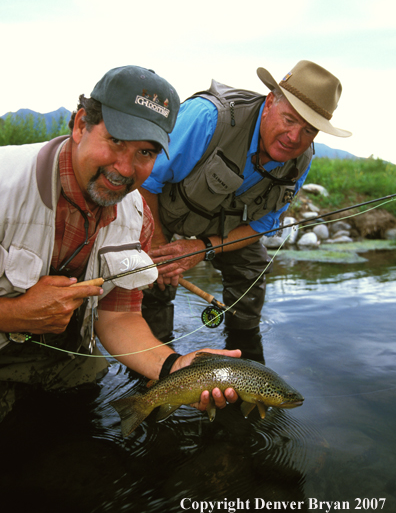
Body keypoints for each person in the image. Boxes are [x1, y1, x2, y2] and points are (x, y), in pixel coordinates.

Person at [0, 65, 240, 424]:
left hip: (63, 354)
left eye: (145, 153)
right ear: (81, 125)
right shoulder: (5, 184)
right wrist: (14, 314)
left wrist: (174, 367)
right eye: (116, 142)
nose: (125, 169)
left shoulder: (137, 216)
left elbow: (118, 315)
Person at [140, 60, 352, 357]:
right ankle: (152, 361)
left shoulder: (302, 160)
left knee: (252, 268)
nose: (294, 138)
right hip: (161, 210)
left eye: (309, 130)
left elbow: (262, 226)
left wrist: (200, 249)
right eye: (289, 120)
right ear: (269, 103)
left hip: (224, 228)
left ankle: (246, 354)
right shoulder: (208, 118)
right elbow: (145, 180)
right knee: (153, 274)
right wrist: (161, 246)